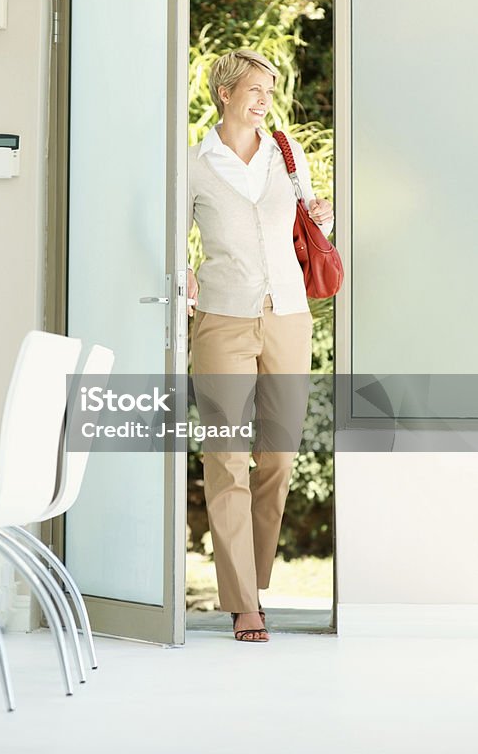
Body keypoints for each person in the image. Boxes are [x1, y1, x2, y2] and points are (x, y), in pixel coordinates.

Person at [187, 48, 334, 643]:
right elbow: (173, 234)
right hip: (223, 317)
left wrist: (324, 218)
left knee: (277, 456)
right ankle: (244, 602)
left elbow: (311, 226)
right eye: (254, 90)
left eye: (269, 91)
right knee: (226, 456)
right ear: (225, 93)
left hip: (290, 315)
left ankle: (257, 576)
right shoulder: (194, 163)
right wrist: (184, 272)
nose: (264, 100)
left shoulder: (286, 153)